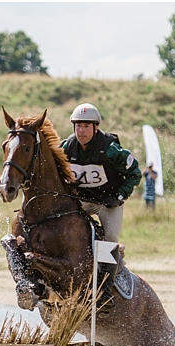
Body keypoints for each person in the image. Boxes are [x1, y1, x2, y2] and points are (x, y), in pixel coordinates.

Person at [60, 103, 142, 243]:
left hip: (107, 202)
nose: (81, 131)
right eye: (78, 126)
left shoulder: (111, 150)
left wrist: (119, 195)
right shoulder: (66, 148)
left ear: (96, 127)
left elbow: (134, 173)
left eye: (86, 126)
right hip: (79, 202)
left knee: (110, 239)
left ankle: (118, 264)